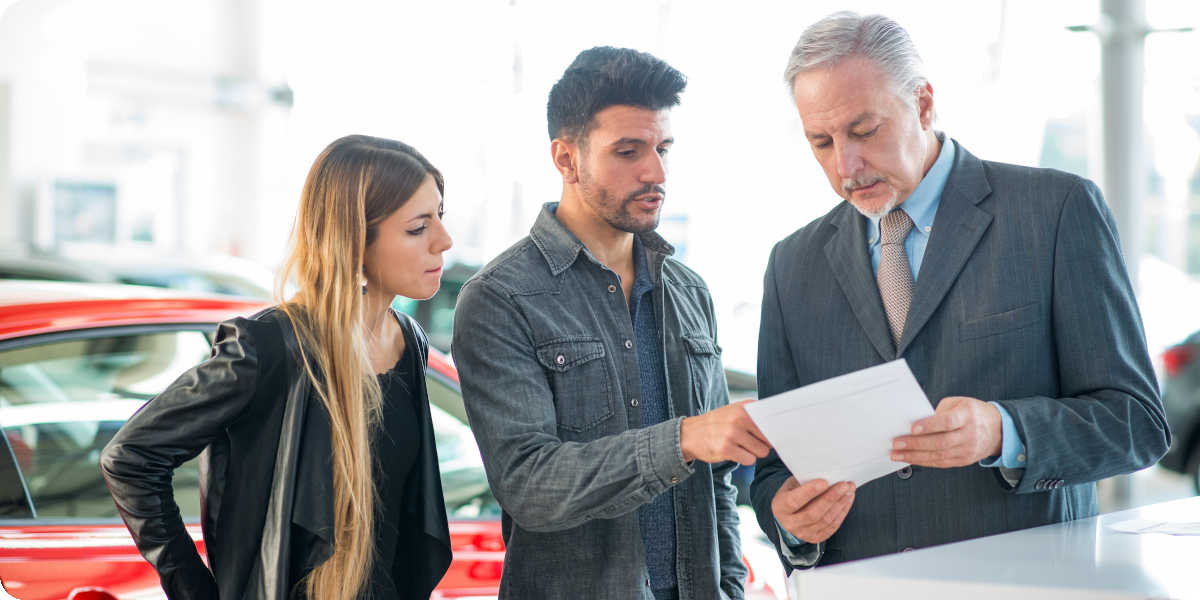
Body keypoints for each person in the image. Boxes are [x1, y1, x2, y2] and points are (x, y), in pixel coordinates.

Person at [751, 11, 1170, 571]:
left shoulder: (1054, 213)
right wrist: (787, 518)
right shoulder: (792, 265)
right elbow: (776, 468)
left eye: (863, 130)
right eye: (821, 142)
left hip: (1027, 585)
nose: (845, 165)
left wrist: (1004, 431)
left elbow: (1136, 423)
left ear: (923, 104)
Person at [452, 46, 768, 600]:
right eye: (628, 151)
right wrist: (684, 439)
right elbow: (531, 485)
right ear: (566, 159)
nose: (656, 171)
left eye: (663, 148)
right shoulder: (500, 299)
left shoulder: (688, 291)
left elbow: (717, 484)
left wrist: (731, 590)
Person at [101, 134, 455, 599]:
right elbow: (130, 458)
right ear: (354, 239)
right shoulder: (269, 347)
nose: (444, 242)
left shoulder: (408, 342)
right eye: (418, 228)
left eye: (440, 218)